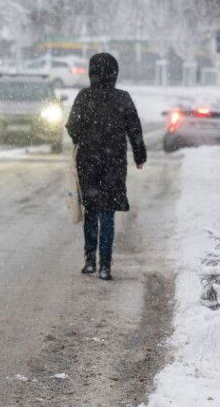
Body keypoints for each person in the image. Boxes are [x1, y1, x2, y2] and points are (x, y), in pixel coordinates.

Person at [66, 53, 146, 280]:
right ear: (114, 73)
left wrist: (83, 137)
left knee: (91, 210)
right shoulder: (123, 98)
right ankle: (105, 266)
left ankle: (90, 260)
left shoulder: (84, 97)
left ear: (91, 73)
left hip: (88, 161)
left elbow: (72, 127)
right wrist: (139, 155)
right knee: (108, 213)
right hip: (114, 162)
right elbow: (135, 130)